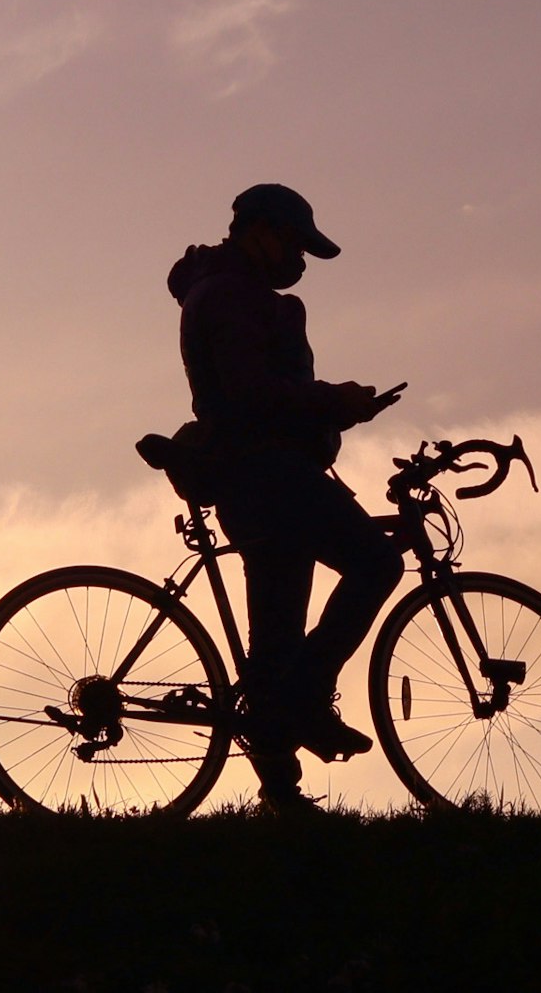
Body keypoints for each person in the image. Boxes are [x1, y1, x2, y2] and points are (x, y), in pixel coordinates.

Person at [166, 182, 403, 810]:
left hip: (268, 478)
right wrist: (333, 400)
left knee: (273, 649)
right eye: (295, 244)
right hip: (270, 481)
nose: (300, 261)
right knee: (378, 562)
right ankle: (308, 697)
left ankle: (282, 793)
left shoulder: (230, 292)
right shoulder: (229, 296)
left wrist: (339, 414)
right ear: (260, 231)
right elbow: (251, 394)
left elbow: (267, 398)